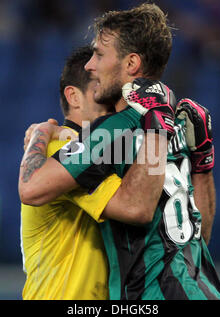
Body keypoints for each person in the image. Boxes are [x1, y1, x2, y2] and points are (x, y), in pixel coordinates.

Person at [19, 3, 220, 300]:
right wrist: (203, 166)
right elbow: (198, 236)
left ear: (130, 64)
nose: (91, 65)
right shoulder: (173, 126)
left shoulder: (115, 130)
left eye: (99, 55)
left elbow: (32, 188)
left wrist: (41, 130)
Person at [21, 45, 170, 299]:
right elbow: (137, 208)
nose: (112, 105)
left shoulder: (108, 153)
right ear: (74, 96)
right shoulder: (61, 150)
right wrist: (158, 128)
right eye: (98, 91)